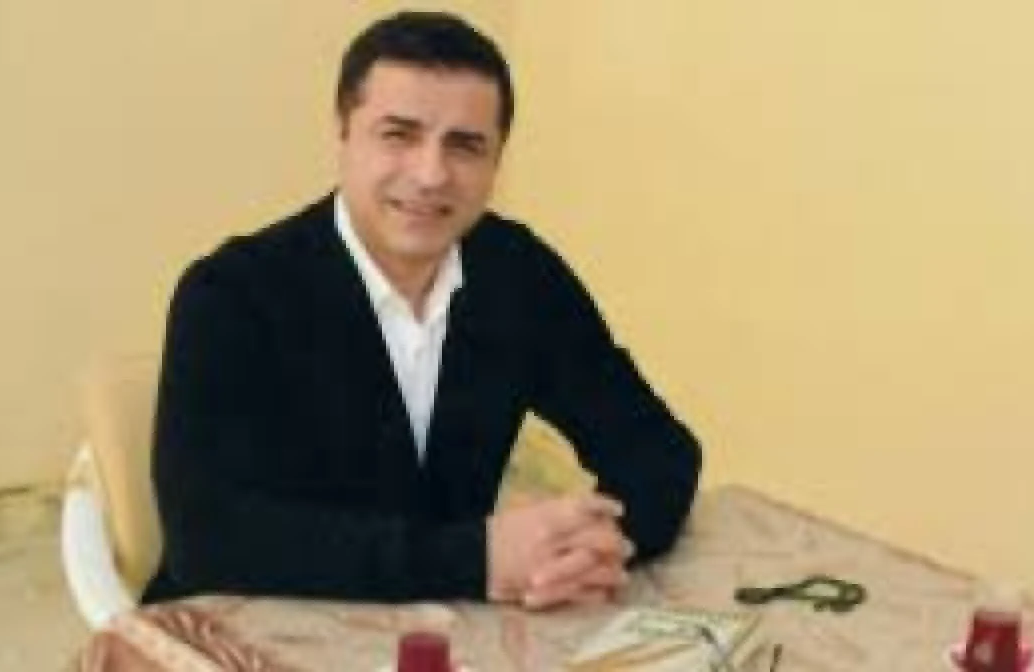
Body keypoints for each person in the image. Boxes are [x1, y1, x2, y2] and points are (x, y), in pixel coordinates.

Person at [144, 11, 700, 611]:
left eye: (465, 146)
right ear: (342, 134)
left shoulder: (518, 274)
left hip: (446, 626)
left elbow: (658, 451)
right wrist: (477, 559)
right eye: (398, 135)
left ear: (497, 161)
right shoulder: (229, 293)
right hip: (244, 627)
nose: (431, 175)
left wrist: (593, 546)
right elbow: (207, 538)